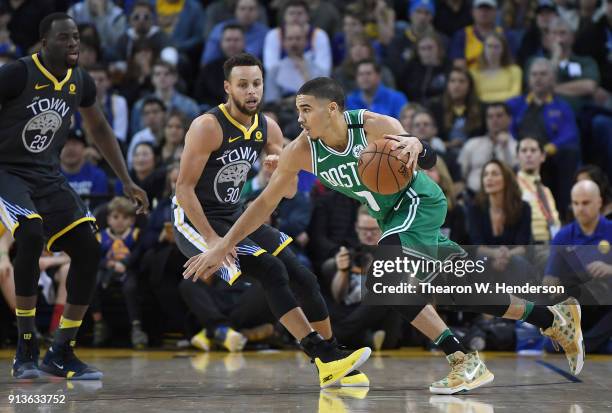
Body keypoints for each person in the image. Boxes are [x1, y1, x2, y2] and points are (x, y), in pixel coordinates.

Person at [186, 76, 585, 394]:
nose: (300, 118)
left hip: (419, 203)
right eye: (297, 111)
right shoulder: (301, 151)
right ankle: (553, 317)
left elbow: (425, 156)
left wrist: (419, 144)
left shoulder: (375, 126)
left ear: (333, 109)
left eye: (306, 109)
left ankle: (463, 360)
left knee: (385, 274)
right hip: (391, 217)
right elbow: (261, 206)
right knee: (459, 290)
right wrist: (222, 243)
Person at [173, 53, 371, 388]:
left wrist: (276, 171)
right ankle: (322, 355)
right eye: (243, 85)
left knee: (304, 278)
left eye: (257, 84)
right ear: (227, 88)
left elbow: (290, 190)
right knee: (271, 270)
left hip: (233, 216)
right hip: (195, 222)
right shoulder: (207, 126)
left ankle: (332, 359)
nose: (251, 91)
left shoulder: (269, 127)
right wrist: (212, 241)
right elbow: (183, 189)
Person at [0, 13, 148, 380]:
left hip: (47, 175)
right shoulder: (17, 73)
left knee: (86, 246)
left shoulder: (79, 80)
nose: (73, 44)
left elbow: (98, 126)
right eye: (64, 38)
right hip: (6, 171)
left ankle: (61, 351)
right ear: (44, 42)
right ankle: (26, 347)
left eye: (76, 38)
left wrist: (126, 180)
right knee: (31, 233)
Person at [544, 180, 612, 353]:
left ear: (599, 202)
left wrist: (609, 269)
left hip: (606, 305)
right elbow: (549, 279)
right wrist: (551, 286)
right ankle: (592, 344)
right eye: (575, 203)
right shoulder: (562, 236)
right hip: (578, 303)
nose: (580, 208)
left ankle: (584, 345)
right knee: (550, 345)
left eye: (586, 203)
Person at [507, 57, 580, 217]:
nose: (538, 78)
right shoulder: (516, 104)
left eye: (543, 74)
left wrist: (547, 150)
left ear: (553, 79)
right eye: (534, 74)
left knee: (569, 154)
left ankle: (564, 213)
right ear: (528, 78)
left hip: (549, 157)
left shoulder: (562, 107)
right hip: (519, 153)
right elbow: (508, 129)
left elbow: (570, 134)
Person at [323, 205, 402, 351]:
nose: (369, 235)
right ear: (356, 228)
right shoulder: (350, 253)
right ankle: (366, 339)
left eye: (374, 230)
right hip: (354, 314)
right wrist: (342, 271)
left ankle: (332, 337)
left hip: (382, 319)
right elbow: (338, 297)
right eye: (364, 230)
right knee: (323, 280)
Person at [92, 197, 147, 349]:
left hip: (128, 270)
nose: (120, 221)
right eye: (115, 217)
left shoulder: (136, 234)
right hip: (105, 271)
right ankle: (99, 322)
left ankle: (136, 327)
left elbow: (139, 253)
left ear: (132, 220)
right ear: (108, 219)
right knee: (91, 285)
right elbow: (95, 256)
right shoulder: (100, 236)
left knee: (131, 288)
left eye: (125, 217)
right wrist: (107, 263)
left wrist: (125, 263)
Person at [458, 102, 518, 194]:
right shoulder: (472, 144)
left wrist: (505, 148)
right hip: (473, 196)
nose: (494, 120)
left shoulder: (517, 147)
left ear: (509, 119)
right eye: (490, 117)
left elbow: (515, 174)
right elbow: (461, 174)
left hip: (505, 196)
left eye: (499, 116)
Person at [516, 136, 561, 244]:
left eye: (533, 150)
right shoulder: (513, 187)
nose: (528, 154)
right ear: (517, 157)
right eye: (524, 150)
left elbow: (555, 222)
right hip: (529, 244)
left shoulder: (546, 191)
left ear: (543, 156)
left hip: (552, 242)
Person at [60, 129, 109, 210]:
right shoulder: (49, 175)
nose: (70, 148)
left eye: (75, 144)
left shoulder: (98, 176)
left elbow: (100, 210)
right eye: (65, 144)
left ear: (85, 148)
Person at [470, 32, 522, 102]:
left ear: (503, 50)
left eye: (496, 47)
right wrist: (505, 96)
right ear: (484, 49)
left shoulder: (515, 70)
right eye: (489, 46)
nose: (492, 50)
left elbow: (515, 95)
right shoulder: (474, 72)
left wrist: (485, 97)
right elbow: (475, 97)